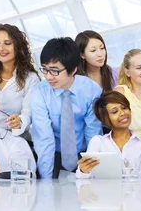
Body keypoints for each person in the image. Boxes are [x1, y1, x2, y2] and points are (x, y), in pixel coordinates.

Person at [31, 37, 102, 179]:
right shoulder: (40, 92)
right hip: (52, 154)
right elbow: (44, 138)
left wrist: (92, 172)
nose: (48, 76)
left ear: (73, 70)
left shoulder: (91, 89)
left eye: (55, 71)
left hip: (82, 153)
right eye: (45, 69)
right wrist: (46, 180)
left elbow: (93, 134)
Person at [0, 24, 41, 137]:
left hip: (16, 137)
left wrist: (19, 121)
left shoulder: (31, 78)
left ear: (18, 46)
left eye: (7, 43)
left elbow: (28, 113)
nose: (1, 49)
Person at [76, 91, 141, 178]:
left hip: (135, 191)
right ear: (105, 118)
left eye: (124, 108)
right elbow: (86, 179)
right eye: (114, 112)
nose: (123, 113)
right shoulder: (98, 142)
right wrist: (83, 171)